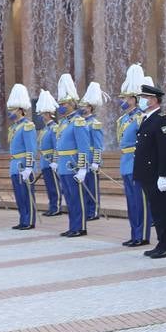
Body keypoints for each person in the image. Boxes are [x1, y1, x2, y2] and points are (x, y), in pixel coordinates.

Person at [133, 82, 166, 258]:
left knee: (163, 211)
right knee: (156, 211)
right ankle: (161, 243)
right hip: (147, 174)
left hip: (157, 175)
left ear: (153, 100)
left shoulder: (162, 120)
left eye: (144, 98)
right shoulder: (147, 119)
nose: (141, 101)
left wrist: (163, 175)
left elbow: (165, 151)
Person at [115, 65, 152, 247]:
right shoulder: (122, 120)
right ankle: (134, 233)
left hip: (138, 162)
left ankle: (142, 235)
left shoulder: (141, 117)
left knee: (140, 201)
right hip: (126, 162)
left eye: (126, 97)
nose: (123, 100)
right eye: (122, 97)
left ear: (135, 99)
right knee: (131, 202)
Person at [53, 74, 93, 237]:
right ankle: (73, 225)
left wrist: (83, 168)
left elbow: (84, 147)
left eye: (63, 104)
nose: (61, 106)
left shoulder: (79, 122)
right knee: (69, 198)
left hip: (73, 164)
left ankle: (80, 226)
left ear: (71, 104)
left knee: (77, 198)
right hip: (63, 164)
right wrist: (56, 161)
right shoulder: (63, 123)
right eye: (60, 103)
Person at [5, 84, 38, 230]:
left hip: (24, 164)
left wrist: (29, 167)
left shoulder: (27, 126)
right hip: (15, 164)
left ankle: (29, 220)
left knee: (26, 194)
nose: (10, 112)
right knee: (19, 195)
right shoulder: (13, 127)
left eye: (12, 109)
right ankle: (22, 219)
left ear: (20, 110)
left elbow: (31, 148)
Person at [80, 81, 106, 222]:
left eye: (84, 106)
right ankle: (87, 209)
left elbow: (98, 145)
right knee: (84, 188)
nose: (81, 108)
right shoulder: (82, 122)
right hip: (83, 160)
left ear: (90, 107)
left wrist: (96, 161)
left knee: (92, 187)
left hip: (91, 160)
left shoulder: (94, 123)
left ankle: (94, 210)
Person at [36, 90, 63, 217]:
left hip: (51, 160)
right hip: (45, 161)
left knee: (54, 186)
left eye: (44, 113)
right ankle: (52, 206)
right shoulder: (45, 129)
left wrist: (55, 161)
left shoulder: (54, 128)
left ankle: (56, 207)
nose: (42, 115)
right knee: (49, 185)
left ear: (50, 114)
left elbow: (57, 146)